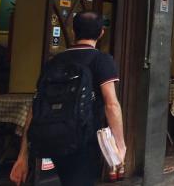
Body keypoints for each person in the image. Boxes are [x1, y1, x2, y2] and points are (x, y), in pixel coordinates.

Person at [10, 12, 126, 186]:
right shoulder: (101, 60)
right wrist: (121, 145)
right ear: (101, 32)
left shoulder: (54, 61)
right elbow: (111, 104)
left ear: (73, 31)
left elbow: (35, 108)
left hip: (52, 138)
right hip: (85, 142)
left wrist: (23, 155)